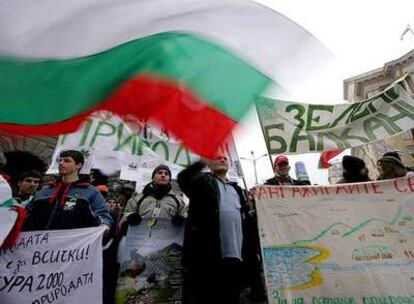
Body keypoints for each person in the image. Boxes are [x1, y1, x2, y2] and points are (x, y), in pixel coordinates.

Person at [177, 155, 256, 304]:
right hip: (209, 257)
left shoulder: (237, 189)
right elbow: (183, 178)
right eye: (217, 157)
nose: (222, 159)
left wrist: (252, 252)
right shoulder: (202, 183)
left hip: (236, 258)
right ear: (210, 164)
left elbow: (246, 224)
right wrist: (201, 162)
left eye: (225, 158)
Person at [23, 150, 113, 231]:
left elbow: (104, 217)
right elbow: (26, 214)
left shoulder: (91, 192)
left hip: (70, 246)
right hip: (38, 243)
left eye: (67, 161)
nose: (61, 163)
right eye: (60, 160)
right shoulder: (45, 190)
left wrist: (104, 226)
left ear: (78, 165)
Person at [119, 164, 186, 232]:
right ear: (153, 177)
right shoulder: (138, 197)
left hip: (167, 239)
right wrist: (131, 217)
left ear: (169, 179)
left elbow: (184, 215)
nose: (163, 175)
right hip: (141, 238)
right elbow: (128, 212)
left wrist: (181, 220)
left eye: (166, 174)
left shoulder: (178, 200)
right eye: (160, 173)